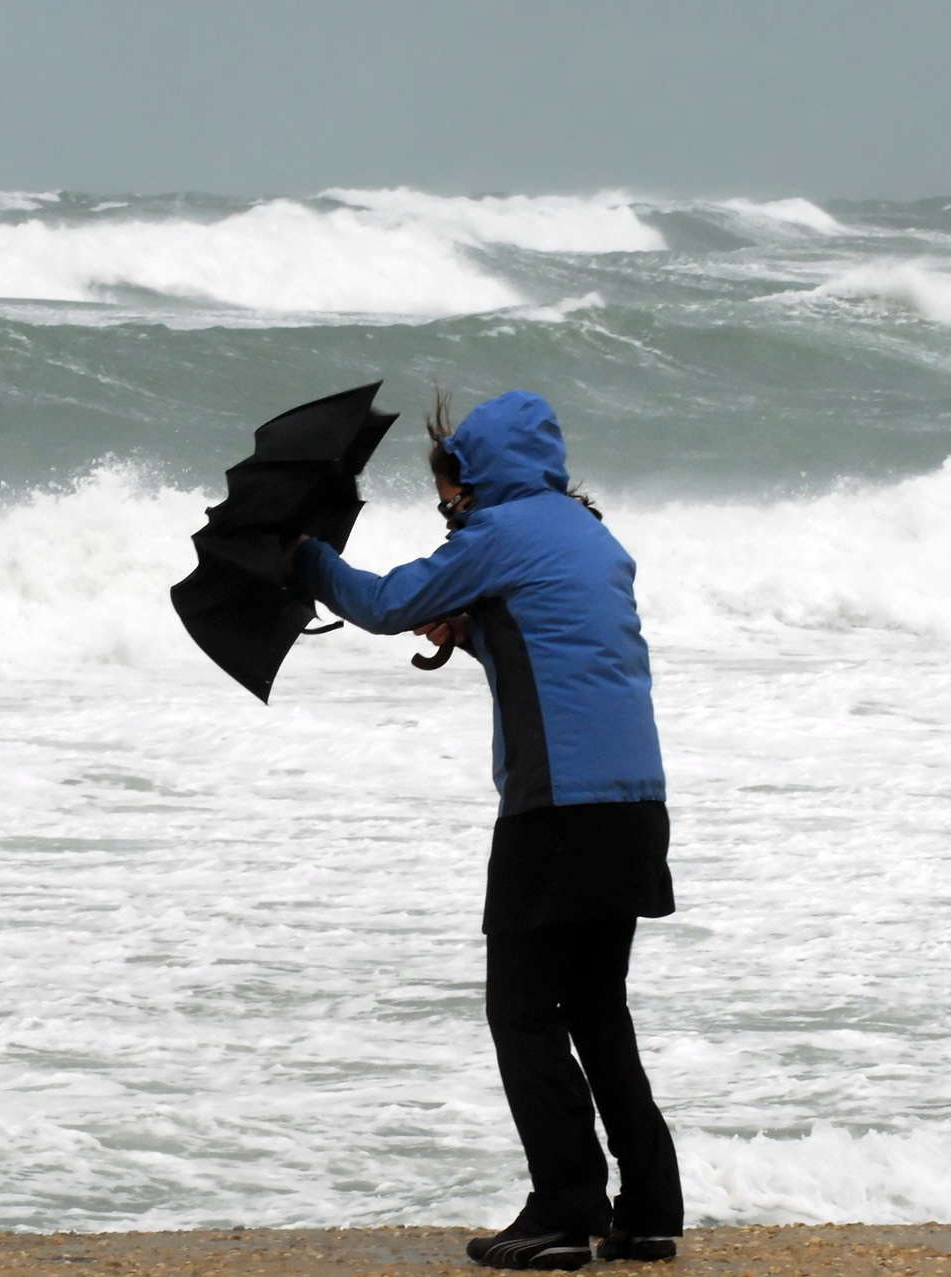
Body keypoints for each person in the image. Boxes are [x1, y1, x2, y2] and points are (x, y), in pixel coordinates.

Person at [289, 390, 683, 1271]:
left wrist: (305, 558)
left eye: (445, 497)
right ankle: (650, 1207)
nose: (445, 514)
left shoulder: (497, 535)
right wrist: (473, 632)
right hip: (633, 802)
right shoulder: (590, 534)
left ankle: (563, 1207)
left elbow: (387, 601)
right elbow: (557, 641)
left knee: (521, 1010)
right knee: (595, 1006)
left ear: (473, 478)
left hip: (558, 806)